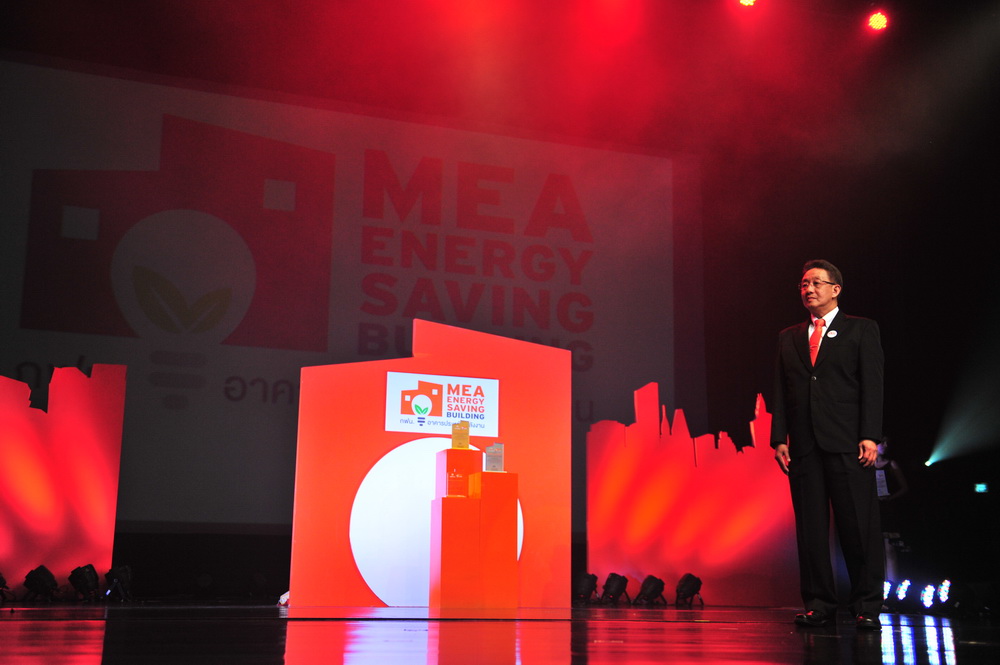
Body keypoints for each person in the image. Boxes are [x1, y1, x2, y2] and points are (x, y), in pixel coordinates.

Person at [771, 259, 885, 630]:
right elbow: (781, 390)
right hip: (804, 446)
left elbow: (872, 385)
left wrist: (869, 434)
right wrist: (779, 438)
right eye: (804, 284)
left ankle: (866, 604)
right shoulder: (789, 336)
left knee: (858, 527)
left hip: (848, 442)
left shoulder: (861, 329)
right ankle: (819, 603)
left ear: (836, 289)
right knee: (811, 530)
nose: (808, 289)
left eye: (816, 283)